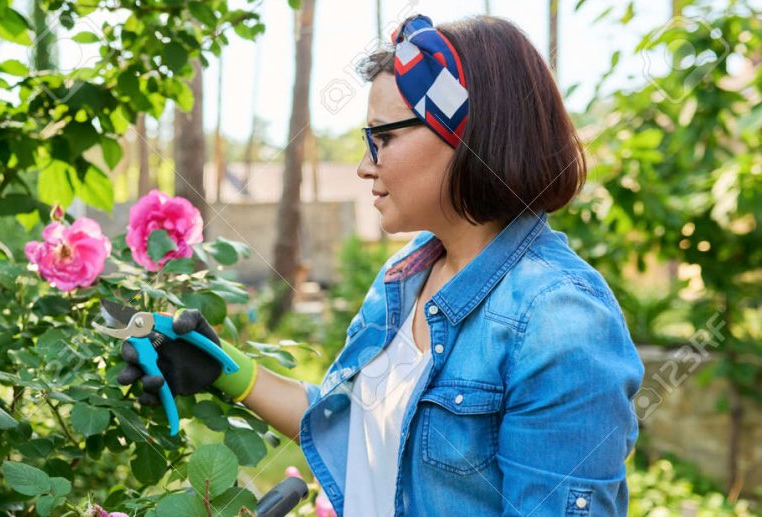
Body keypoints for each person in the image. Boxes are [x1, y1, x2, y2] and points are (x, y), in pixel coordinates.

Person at [117, 14, 644, 517]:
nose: (365, 165)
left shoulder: (559, 319)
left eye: (383, 137)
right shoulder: (407, 276)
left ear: (464, 134)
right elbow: (363, 432)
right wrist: (227, 371)